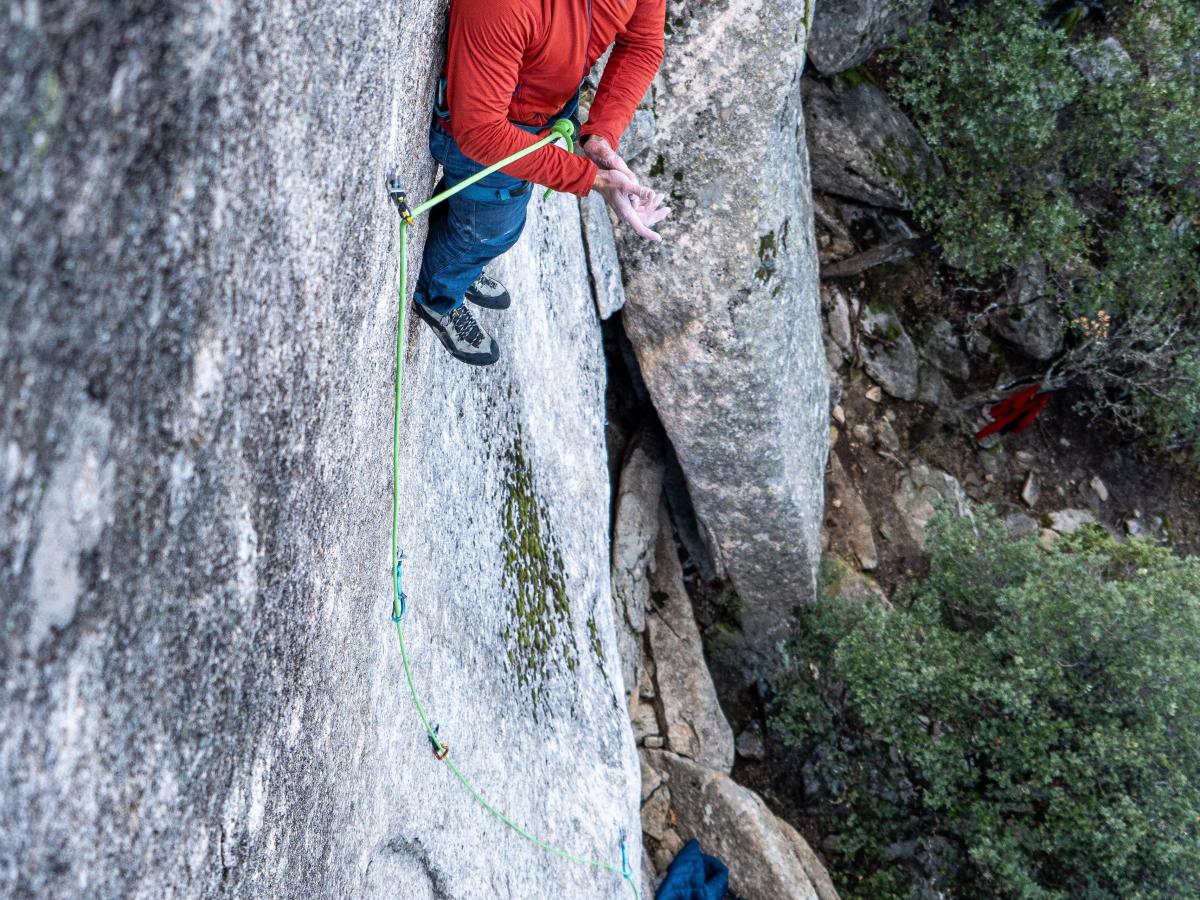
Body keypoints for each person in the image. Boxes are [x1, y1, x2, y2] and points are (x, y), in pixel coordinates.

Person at [414, 0, 670, 365]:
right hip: (480, 132)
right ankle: (438, 296)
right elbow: (480, 133)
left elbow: (642, 44)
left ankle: (463, 260)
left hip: (535, 111)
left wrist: (602, 135)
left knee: (481, 215)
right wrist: (592, 178)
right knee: (492, 231)